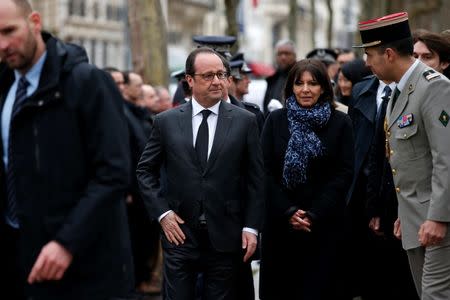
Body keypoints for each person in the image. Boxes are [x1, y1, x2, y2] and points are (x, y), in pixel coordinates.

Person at [0, 1, 134, 299]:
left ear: (35, 22)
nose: (3, 44)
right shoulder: (5, 88)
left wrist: (66, 242)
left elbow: (113, 173)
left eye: (9, 31)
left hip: (85, 268)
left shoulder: (86, 83)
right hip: (21, 261)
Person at [136, 47, 264, 300]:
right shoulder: (166, 121)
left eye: (221, 74)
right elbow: (145, 171)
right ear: (190, 80)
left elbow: (256, 179)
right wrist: (162, 214)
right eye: (208, 76)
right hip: (180, 234)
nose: (217, 81)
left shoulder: (244, 120)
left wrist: (251, 227)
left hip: (226, 235)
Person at [356, 11, 450, 299]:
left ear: (388, 54)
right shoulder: (399, 91)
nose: (367, 63)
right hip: (415, 220)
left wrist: (438, 217)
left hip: (437, 223)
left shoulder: (433, 86)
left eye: (370, 55)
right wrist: (405, 212)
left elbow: (445, 157)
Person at [259, 59, 354, 299]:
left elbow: (343, 173)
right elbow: (264, 171)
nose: (305, 89)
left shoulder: (341, 122)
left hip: (324, 226)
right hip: (281, 227)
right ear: (290, 86)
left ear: (324, 87)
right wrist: (289, 211)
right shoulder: (275, 120)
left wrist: (313, 214)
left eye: (312, 83)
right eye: (299, 83)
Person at [262, 39, 297, 115]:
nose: (283, 57)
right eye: (280, 54)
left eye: (287, 53)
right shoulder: (273, 79)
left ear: (294, 56)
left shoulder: (300, 77)